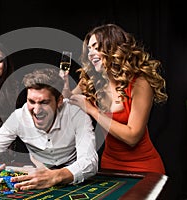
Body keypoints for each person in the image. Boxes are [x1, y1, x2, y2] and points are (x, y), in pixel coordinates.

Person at [0, 67, 98, 194]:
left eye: (44, 103)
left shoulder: (76, 114)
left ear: (59, 101)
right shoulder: (19, 117)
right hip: (37, 172)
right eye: (31, 101)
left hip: (72, 176)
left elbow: (89, 161)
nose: (36, 110)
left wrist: (55, 176)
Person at [63, 23, 168, 174]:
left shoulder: (140, 82)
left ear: (112, 47)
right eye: (89, 49)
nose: (90, 54)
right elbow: (68, 102)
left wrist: (92, 110)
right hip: (109, 165)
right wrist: (65, 87)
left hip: (144, 166)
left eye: (96, 47)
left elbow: (132, 137)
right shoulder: (92, 80)